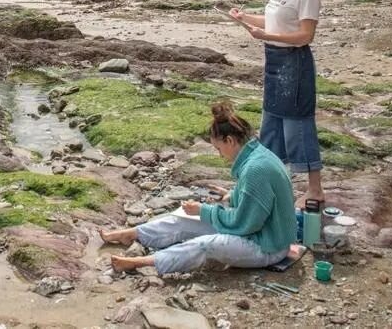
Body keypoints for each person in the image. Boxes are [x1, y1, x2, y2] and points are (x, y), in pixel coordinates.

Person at [100, 102, 296, 274]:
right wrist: (231, 195)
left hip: (268, 247)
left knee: (205, 244)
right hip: (260, 233)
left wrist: (205, 210)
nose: (220, 155)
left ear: (230, 140)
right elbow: (258, 200)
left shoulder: (255, 168)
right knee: (182, 221)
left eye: (218, 149)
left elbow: (243, 224)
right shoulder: (258, 156)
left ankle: (142, 262)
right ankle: (133, 234)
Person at [229, 0, 324, 207]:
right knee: (270, 122)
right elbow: (272, 21)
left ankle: (315, 189)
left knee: (298, 125)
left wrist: (266, 35)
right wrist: (244, 18)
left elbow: (306, 36)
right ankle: (270, 182)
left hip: (295, 62)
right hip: (274, 60)